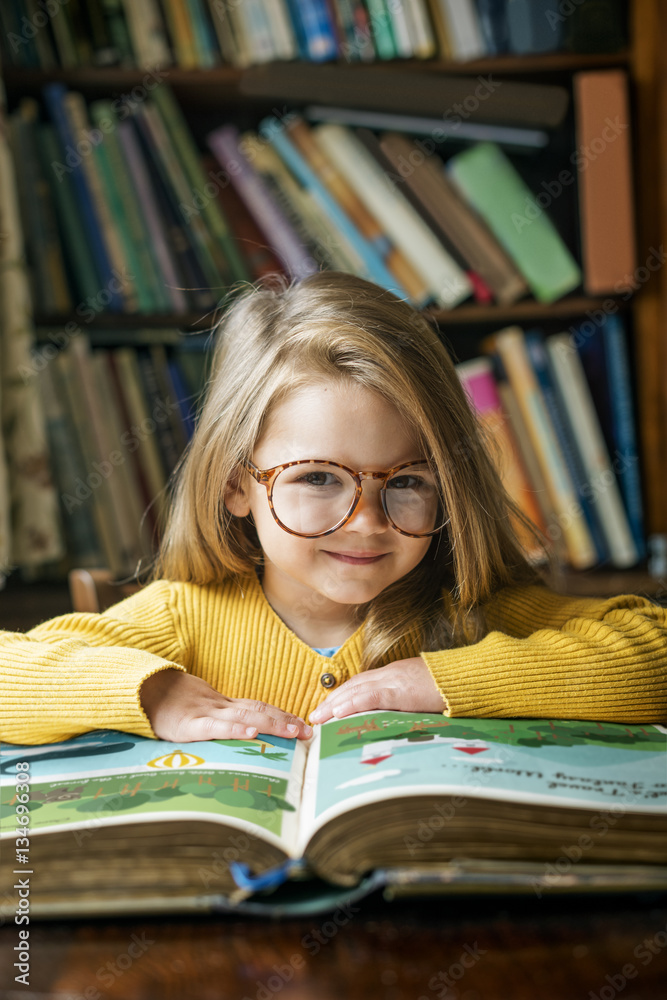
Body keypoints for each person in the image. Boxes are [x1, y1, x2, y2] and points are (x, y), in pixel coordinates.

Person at [1, 272, 666, 747]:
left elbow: (654, 651)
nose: (367, 522)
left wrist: (441, 679)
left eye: (408, 481)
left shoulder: (467, 610)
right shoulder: (185, 618)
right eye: (318, 478)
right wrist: (154, 693)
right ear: (237, 485)